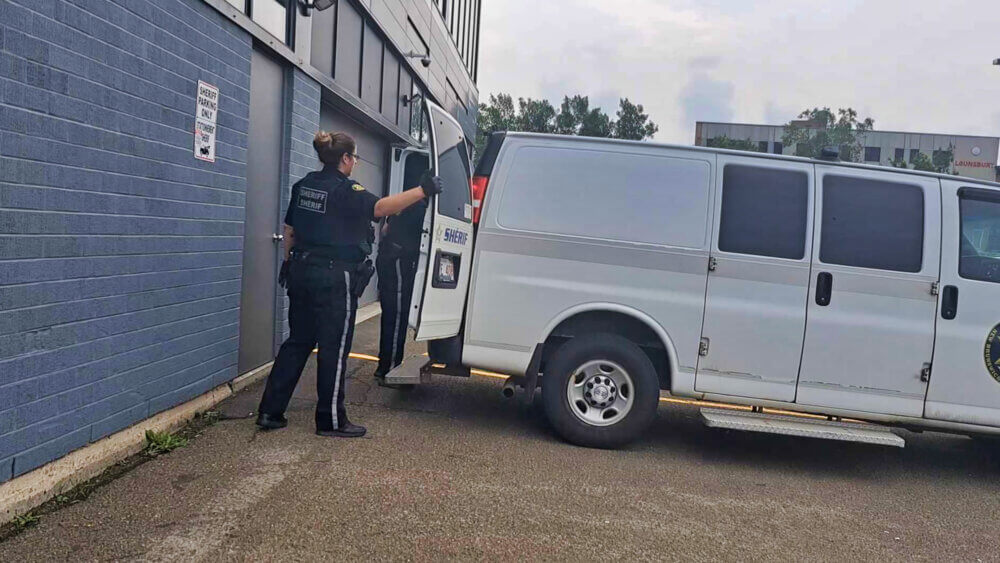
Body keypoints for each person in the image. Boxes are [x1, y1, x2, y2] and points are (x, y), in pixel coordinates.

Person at [256, 131, 442, 438]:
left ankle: (269, 412)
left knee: (297, 342)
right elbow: (381, 208)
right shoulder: (346, 190)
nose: (355, 162)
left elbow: (289, 230)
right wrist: (422, 190)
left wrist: (289, 264)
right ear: (344, 159)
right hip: (333, 277)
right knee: (334, 347)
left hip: (300, 272)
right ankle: (330, 420)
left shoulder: (303, 185)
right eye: (354, 157)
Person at [374, 156, 429, 382]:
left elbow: (385, 229)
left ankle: (385, 364)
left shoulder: (403, 200)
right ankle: (390, 368)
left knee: (392, 314)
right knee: (397, 315)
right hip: (398, 261)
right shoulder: (418, 206)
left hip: (391, 257)